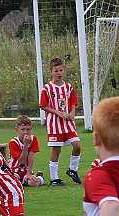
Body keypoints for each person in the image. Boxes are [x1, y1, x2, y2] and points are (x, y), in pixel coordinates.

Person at [39, 57, 81, 187]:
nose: (59, 73)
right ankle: (54, 178)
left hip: (68, 124)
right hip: (54, 125)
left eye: (61, 70)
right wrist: (59, 113)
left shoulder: (68, 87)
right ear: (51, 71)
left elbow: (73, 102)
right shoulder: (47, 88)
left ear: (64, 71)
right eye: (56, 71)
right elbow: (43, 105)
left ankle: (72, 170)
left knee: (77, 145)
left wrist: (72, 113)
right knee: (56, 150)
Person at [8, 115, 44, 187]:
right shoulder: (13, 142)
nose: (25, 132)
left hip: (26, 170)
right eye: (22, 129)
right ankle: (33, 178)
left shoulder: (33, 139)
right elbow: (21, 161)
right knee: (13, 183)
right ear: (17, 130)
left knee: (32, 183)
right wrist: (26, 145)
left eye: (28, 129)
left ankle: (39, 178)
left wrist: (28, 173)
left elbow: (31, 156)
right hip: (14, 169)